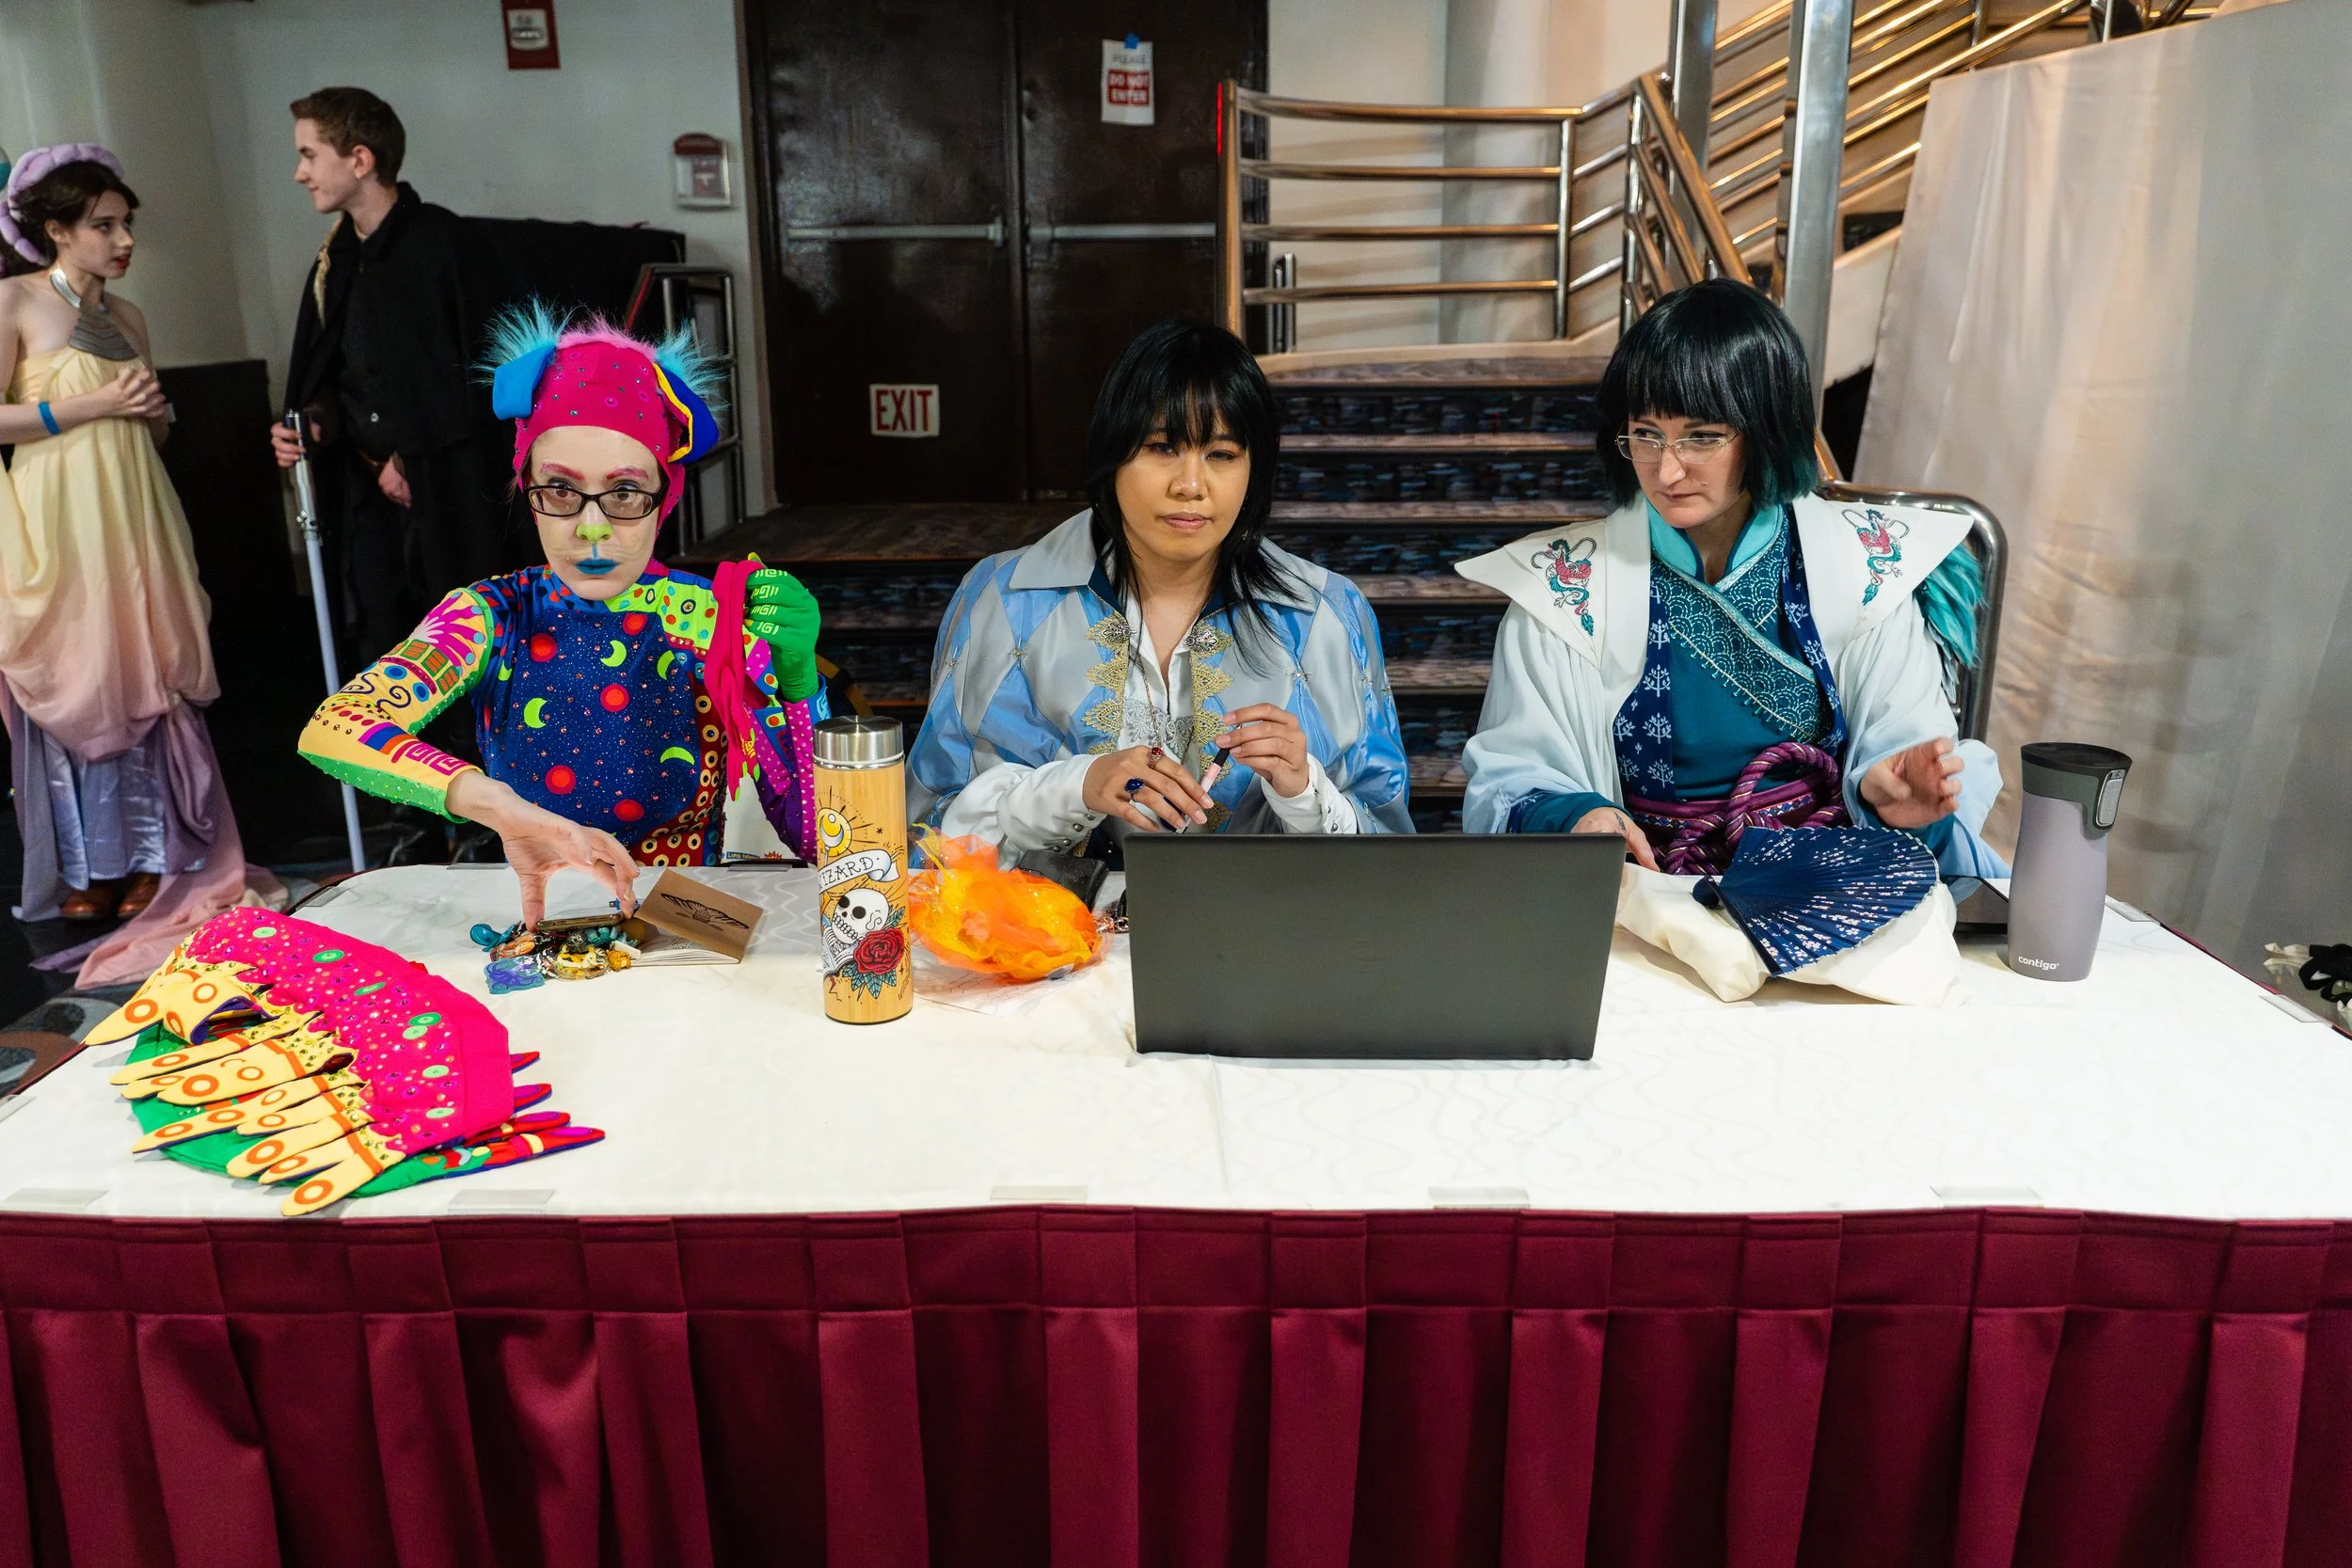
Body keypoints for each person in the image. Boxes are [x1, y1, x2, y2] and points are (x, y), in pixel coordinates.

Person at [296, 305, 827, 924]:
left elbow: (822, 843)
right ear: (528, 491)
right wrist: (499, 806)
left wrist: (801, 687)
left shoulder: (711, 619)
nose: (592, 527)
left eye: (625, 492)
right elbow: (334, 728)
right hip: (542, 912)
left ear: (664, 496)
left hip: (686, 920)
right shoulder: (494, 614)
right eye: (561, 490)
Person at [1459, 278, 2003, 876]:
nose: (1667, 471)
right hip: (1645, 886)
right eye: (1646, 435)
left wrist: (1891, 794)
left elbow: (1902, 745)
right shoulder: (1563, 592)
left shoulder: (1865, 566)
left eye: (1701, 437)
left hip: (1824, 875)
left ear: (1766, 431)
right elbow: (1515, 773)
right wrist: (1575, 815)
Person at [908, 318, 1411, 849]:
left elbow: (1391, 849)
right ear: (1112, 454)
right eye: (1161, 447)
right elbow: (928, 836)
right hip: (1051, 907)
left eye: (1221, 455)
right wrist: (1074, 787)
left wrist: (1305, 793)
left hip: (1265, 905)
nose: (1190, 485)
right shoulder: (1005, 600)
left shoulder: (1325, 614)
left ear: (1254, 470)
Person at [0, 145, 258, 979]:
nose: (124, 241)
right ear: (56, 230)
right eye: (104, 226)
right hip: (56, 514)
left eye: (126, 225)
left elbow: (155, 427)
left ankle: (157, 854)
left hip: (133, 509)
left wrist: (148, 411)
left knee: (142, 664)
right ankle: (87, 869)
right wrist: (91, 403)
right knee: (79, 668)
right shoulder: (14, 301)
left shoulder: (132, 317)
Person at [268, 87, 518, 669]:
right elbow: (341, 371)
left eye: (309, 155)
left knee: (464, 640)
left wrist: (411, 455)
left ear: (360, 159)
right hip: (364, 492)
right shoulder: (336, 261)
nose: (300, 173)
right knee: (382, 636)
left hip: (448, 491)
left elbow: (486, 370)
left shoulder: (445, 246)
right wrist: (314, 421)